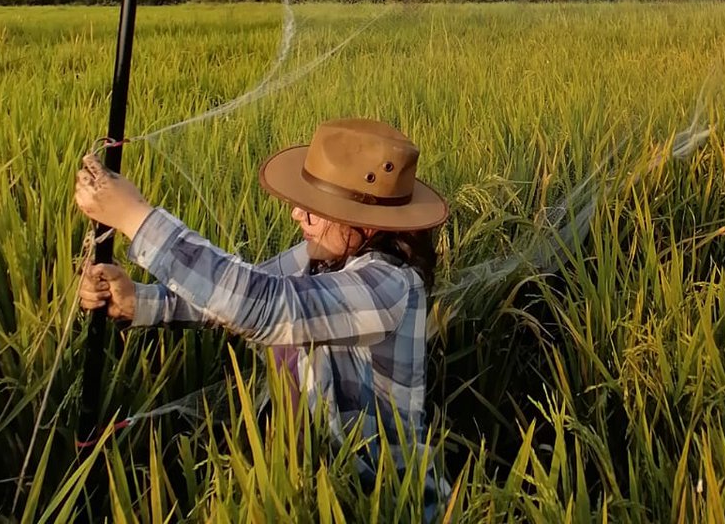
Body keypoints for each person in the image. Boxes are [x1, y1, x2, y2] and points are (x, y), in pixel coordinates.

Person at [75, 117, 449, 516]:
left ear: (369, 225)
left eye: (316, 209)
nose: (296, 215)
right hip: (316, 484)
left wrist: (135, 218)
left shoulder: (388, 286)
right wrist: (140, 302)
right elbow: (239, 291)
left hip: (387, 501)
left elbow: (263, 303)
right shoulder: (320, 256)